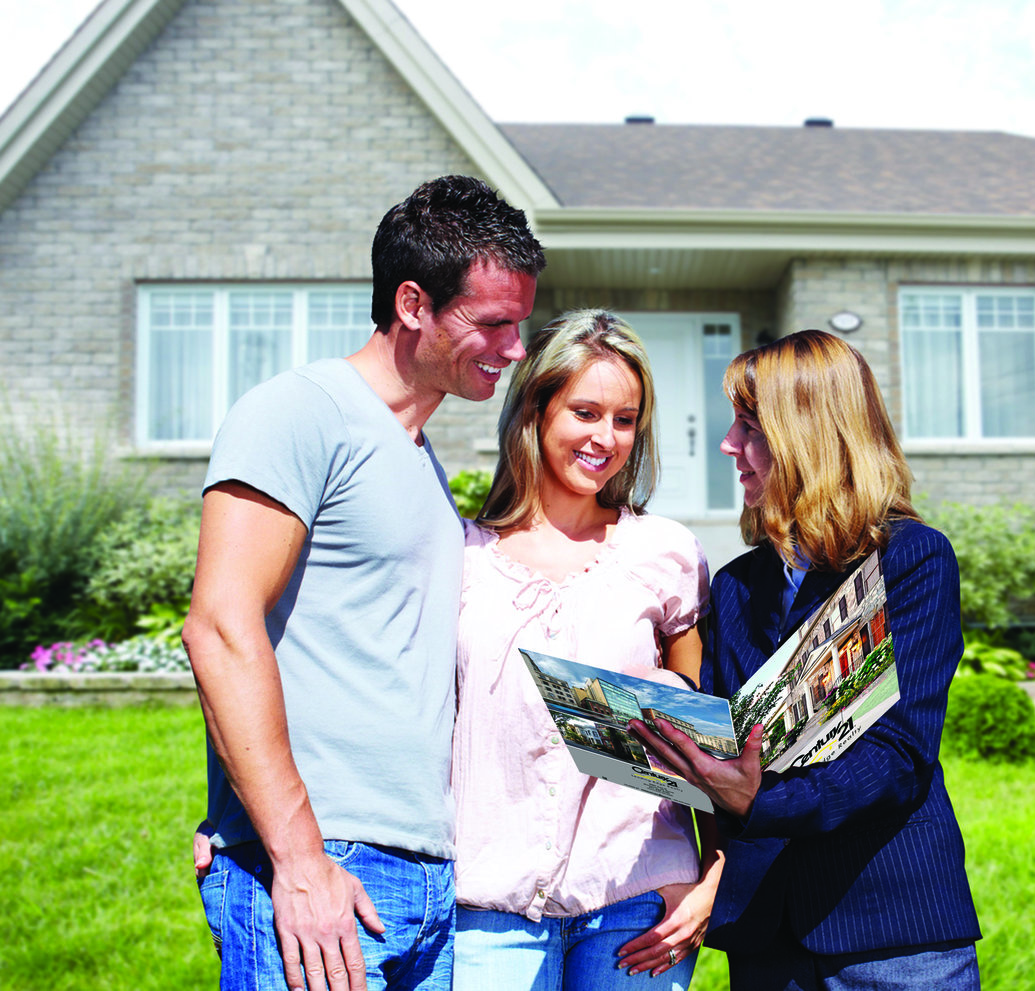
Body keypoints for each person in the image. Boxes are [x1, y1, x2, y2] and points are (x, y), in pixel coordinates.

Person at [184, 174, 544, 991]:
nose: (515, 348)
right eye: (493, 323)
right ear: (413, 303)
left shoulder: (417, 459)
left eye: (519, 324)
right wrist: (293, 854)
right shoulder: (301, 412)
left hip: (423, 877)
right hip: (328, 872)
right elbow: (220, 627)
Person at [631, 330, 982, 989]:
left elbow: (898, 757)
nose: (728, 447)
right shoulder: (735, 586)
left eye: (747, 427)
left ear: (807, 435)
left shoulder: (909, 560)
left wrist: (759, 795)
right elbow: (724, 741)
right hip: (766, 936)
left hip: (891, 931)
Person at [450, 309, 721, 991]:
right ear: (535, 409)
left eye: (625, 419)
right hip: (489, 908)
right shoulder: (460, 557)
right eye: (586, 411)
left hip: (636, 900)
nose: (606, 437)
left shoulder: (664, 554)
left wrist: (713, 875)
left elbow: (705, 747)